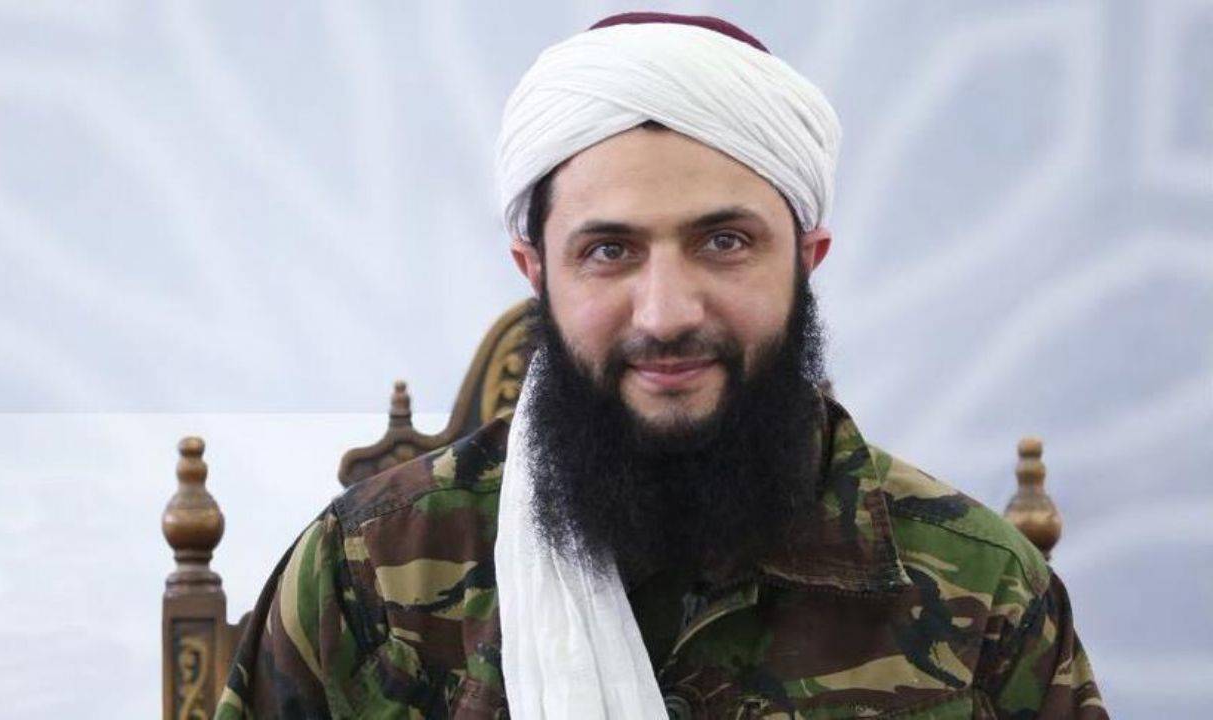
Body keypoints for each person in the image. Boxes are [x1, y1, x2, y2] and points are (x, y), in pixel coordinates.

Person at [216, 12, 1107, 719]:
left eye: (724, 242)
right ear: (537, 272)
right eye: (609, 251)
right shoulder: (368, 571)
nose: (667, 312)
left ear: (808, 260)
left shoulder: (983, 589)